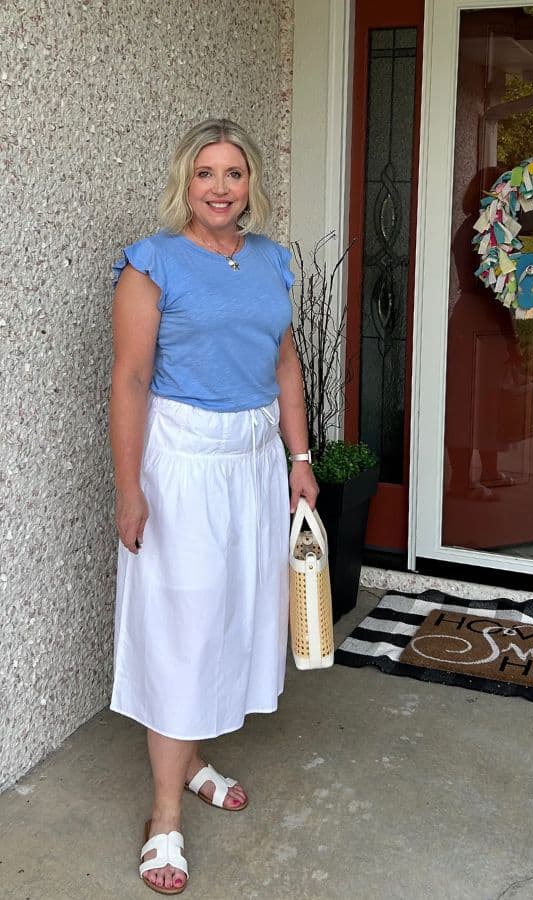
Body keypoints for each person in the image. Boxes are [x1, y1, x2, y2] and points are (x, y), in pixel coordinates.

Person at [109, 118, 318, 894]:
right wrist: (130, 489)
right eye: (206, 174)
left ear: (251, 183)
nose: (220, 188)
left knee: (232, 618)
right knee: (183, 630)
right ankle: (164, 815)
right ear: (185, 183)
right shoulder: (153, 262)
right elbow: (130, 380)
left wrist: (299, 460)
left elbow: (286, 362)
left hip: (254, 464)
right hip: (182, 468)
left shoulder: (271, 260)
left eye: (234, 173)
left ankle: (193, 761)